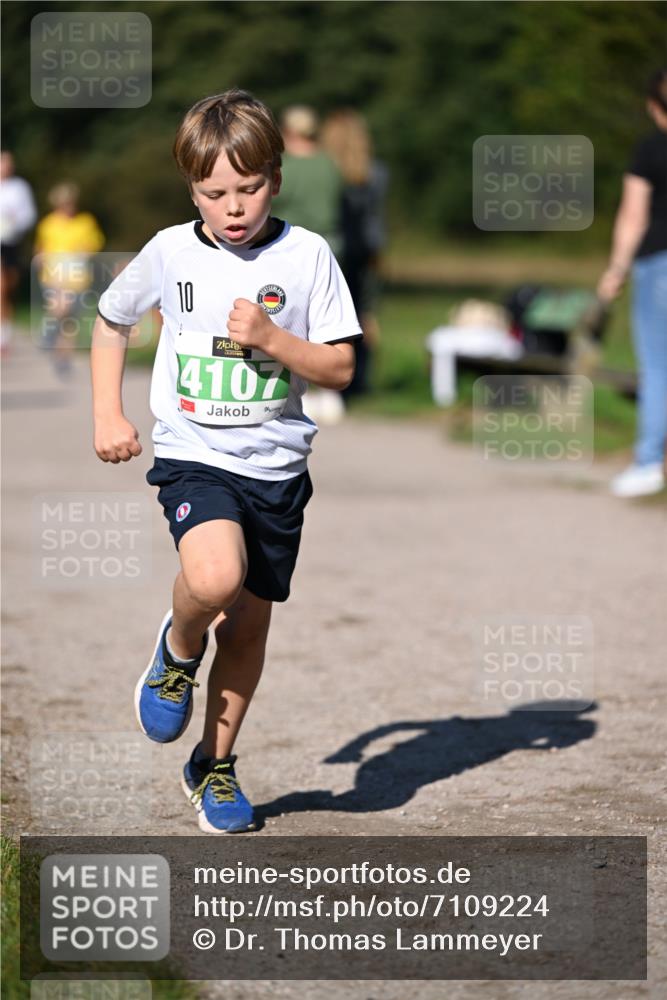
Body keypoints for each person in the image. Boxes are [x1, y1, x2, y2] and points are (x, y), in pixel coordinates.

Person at [90, 89, 361, 834]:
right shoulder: (171, 252)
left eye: (248, 188)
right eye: (214, 193)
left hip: (276, 468)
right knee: (214, 578)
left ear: (275, 177)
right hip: (194, 454)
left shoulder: (306, 256)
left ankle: (212, 765)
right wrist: (107, 412)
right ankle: (177, 651)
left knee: (244, 630)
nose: (233, 207)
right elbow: (112, 323)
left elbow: (338, 370)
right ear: (191, 189)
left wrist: (275, 341)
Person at [597, 69, 667, 498]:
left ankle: (648, 463)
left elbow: (633, 216)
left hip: (659, 263)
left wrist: (616, 270)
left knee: (659, 366)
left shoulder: (650, 151)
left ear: (653, 107)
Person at [322, 110, 388, 398]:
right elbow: (374, 222)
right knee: (360, 315)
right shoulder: (376, 174)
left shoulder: (324, 172)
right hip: (363, 251)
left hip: (333, 250)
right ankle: (356, 382)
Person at [35, 182, 104, 377]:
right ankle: (47, 333)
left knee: (70, 322)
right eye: (64, 203)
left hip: (78, 277)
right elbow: (41, 248)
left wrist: (83, 252)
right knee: (60, 307)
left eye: (70, 203)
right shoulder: (48, 224)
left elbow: (94, 244)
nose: (68, 207)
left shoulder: (85, 221)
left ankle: (63, 358)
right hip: (54, 276)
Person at [272, 104, 342, 254]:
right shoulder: (328, 162)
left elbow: (269, 199)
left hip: (291, 243)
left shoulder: (286, 165)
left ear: (289, 131)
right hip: (329, 240)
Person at [0, 151, 36, 353]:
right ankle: (2, 338)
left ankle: (5, 331)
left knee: (9, 287)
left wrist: (14, 224)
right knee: (1, 287)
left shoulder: (19, 188)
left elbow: (28, 215)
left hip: (12, 242)